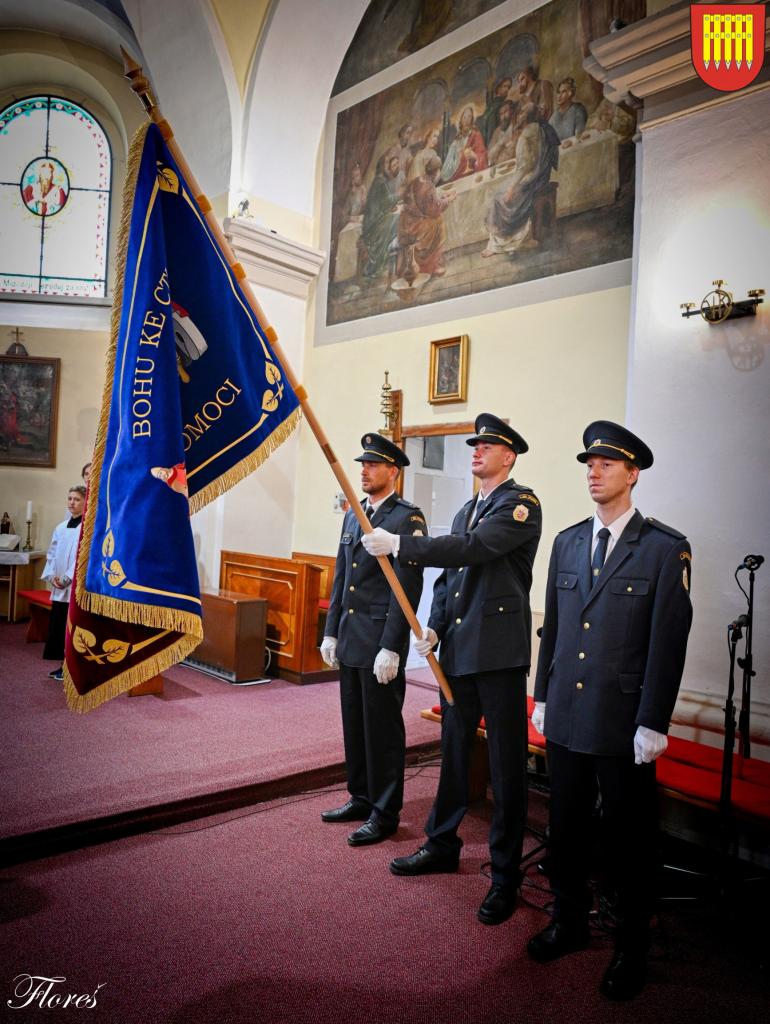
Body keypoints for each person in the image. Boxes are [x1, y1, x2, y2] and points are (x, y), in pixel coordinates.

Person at [527, 421, 693, 1001]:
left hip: (624, 723)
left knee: (629, 840)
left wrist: (654, 719)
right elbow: (552, 629)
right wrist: (542, 696)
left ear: (633, 473)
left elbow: (668, 643)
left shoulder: (664, 548)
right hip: (568, 714)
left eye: (606, 464)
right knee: (566, 828)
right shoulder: (569, 541)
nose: (593, 473)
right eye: (589, 464)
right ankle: (568, 921)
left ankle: (631, 945)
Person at [363, 413, 542, 925]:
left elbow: (473, 549)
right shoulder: (467, 508)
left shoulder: (520, 504)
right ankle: (441, 843)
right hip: (460, 652)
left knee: (505, 768)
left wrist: (402, 544)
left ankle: (504, 875)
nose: (476, 451)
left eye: (487, 445)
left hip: (499, 656)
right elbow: (450, 579)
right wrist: (436, 627)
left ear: (508, 456)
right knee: (455, 755)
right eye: (475, 445)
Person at [320, 434, 426, 846]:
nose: (363, 470)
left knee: (382, 731)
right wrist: (331, 631)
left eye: (372, 464)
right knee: (355, 725)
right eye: (362, 464)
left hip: (380, 640)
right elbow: (341, 576)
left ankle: (384, 812)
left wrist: (392, 645)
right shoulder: (354, 515)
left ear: (392, 471)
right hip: (351, 638)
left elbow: (407, 587)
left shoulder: (406, 519)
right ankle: (361, 796)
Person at [482, 102, 560, 258]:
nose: (517, 117)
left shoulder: (526, 135)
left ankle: (502, 244)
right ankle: (516, 239)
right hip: (542, 176)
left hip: (530, 179)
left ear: (525, 117)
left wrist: (511, 188)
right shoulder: (542, 128)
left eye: (520, 113)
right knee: (502, 191)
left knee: (496, 198)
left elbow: (525, 166)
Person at [42, 486, 86, 680]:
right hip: (59, 587)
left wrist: (68, 577)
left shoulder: (87, 528)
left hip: (74, 586)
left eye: (76, 499)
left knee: (72, 628)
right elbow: (51, 554)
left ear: (85, 501)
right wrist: (52, 576)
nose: (72, 503)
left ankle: (72, 668)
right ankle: (63, 665)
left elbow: (82, 557)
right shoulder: (60, 527)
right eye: (69, 499)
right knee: (59, 627)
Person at [396, 155, 456, 280]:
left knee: (435, 220)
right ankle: (432, 266)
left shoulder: (418, 180)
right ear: (436, 172)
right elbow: (433, 210)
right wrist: (448, 200)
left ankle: (430, 263)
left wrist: (442, 198)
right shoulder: (428, 186)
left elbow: (426, 202)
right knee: (438, 222)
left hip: (406, 222)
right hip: (415, 226)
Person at [360, 154, 402, 280]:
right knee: (399, 219)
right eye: (387, 164)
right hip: (374, 224)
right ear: (382, 166)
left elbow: (382, 204)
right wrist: (399, 194)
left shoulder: (377, 180)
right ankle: (384, 260)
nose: (388, 167)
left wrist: (388, 207)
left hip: (372, 221)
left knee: (396, 218)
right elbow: (388, 201)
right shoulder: (380, 182)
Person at [440, 105, 488, 183]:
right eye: (464, 117)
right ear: (461, 120)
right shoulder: (456, 140)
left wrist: (475, 156)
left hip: (471, 174)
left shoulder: (476, 135)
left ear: (472, 119)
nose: (466, 120)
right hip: (457, 176)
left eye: (469, 117)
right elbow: (449, 161)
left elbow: (483, 155)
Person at [549, 77, 587, 144]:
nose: (559, 96)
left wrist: (571, 142)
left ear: (570, 93)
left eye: (563, 92)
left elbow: (580, 134)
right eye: (558, 92)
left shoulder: (578, 109)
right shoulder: (553, 117)